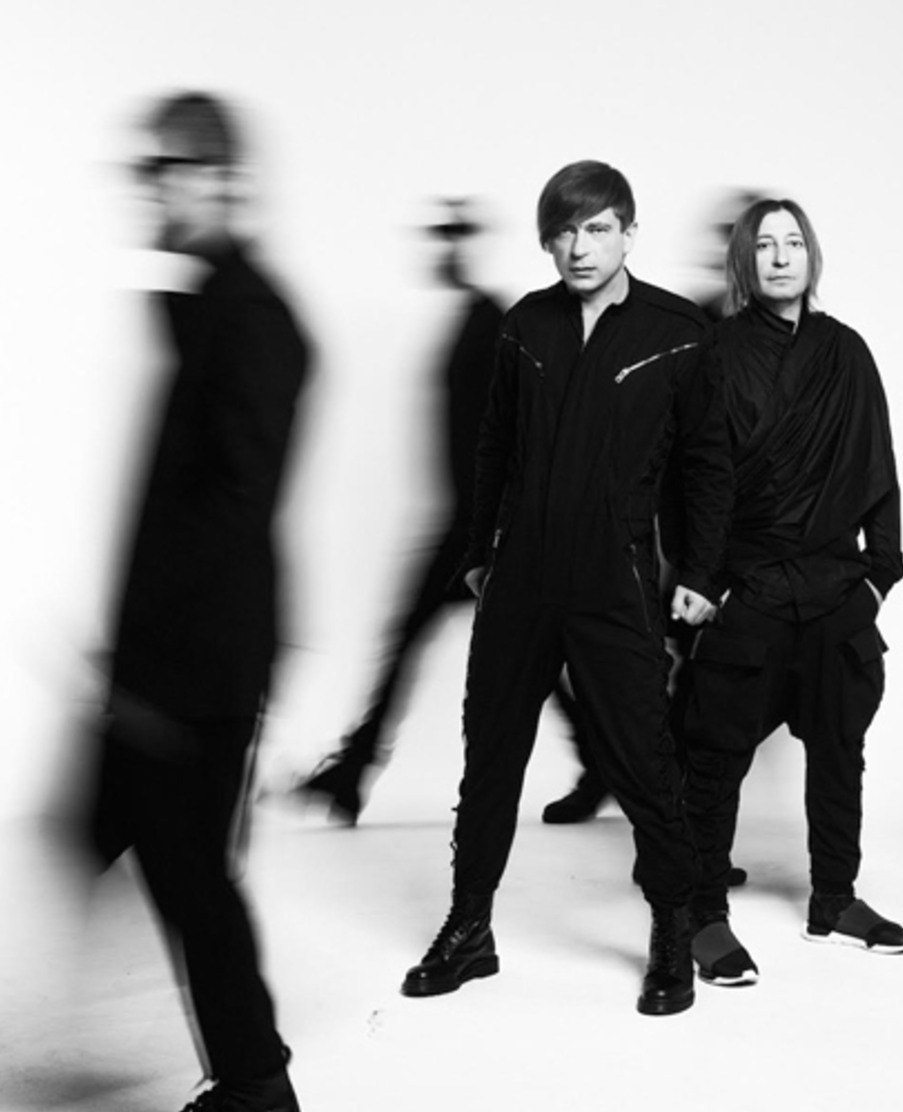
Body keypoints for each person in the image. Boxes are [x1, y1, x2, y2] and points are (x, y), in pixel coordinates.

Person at [400, 160, 724, 1016]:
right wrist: (480, 552)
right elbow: (494, 446)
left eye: (597, 228)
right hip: (521, 581)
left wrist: (698, 573)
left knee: (643, 763)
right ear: (547, 241)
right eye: (564, 232)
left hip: (615, 579)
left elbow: (705, 464)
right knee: (490, 758)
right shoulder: (525, 326)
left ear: (628, 233)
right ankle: (470, 928)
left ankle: (671, 932)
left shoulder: (677, 331)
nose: (579, 247)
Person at [85, 91, 308, 1112]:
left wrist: (158, 671)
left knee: (189, 871)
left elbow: (230, 508)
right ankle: (252, 1074)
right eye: (148, 174)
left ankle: (256, 1080)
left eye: (170, 173)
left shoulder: (252, 318)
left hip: (201, 660)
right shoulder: (212, 299)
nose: (154, 193)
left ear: (224, 182)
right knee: (157, 852)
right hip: (173, 653)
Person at [292, 200, 605, 827]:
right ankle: (601, 760)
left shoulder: (493, 325)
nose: (445, 250)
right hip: (471, 524)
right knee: (518, 653)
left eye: (455, 238)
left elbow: (524, 431)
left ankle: (353, 772)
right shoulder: (474, 320)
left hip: (480, 530)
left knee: (463, 646)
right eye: (440, 238)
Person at [678, 198, 903, 990]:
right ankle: (702, 913)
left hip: (837, 588)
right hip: (751, 587)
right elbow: (699, 479)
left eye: (793, 243)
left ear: (811, 256)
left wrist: (880, 573)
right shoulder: (716, 354)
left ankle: (834, 900)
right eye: (765, 245)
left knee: (841, 750)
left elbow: (879, 465)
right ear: (745, 262)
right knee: (717, 756)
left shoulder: (846, 351)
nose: (781, 257)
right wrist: (702, 582)